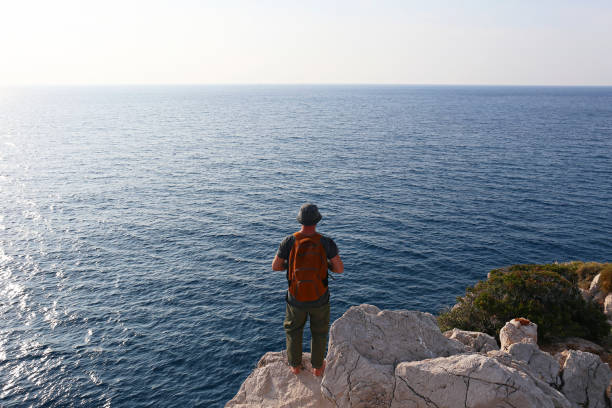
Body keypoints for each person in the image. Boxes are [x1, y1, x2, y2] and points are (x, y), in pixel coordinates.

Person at [272, 203, 344, 376]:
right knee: (319, 332)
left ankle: (295, 366)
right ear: (317, 221)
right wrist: (326, 266)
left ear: (300, 220)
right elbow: (339, 269)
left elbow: (275, 266)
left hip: (295, 298)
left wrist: (289, 266)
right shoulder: (326, 242)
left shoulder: (289, 241)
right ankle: (318, 367)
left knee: (294, 330)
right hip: (320, 298)